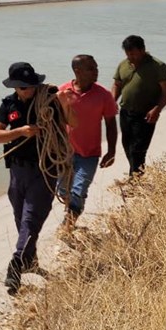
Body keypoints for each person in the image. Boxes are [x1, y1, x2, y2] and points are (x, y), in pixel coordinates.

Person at [0, 62, 77, 295]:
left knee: (31, 219)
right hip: (17, 172)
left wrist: (67, 105)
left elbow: (73, 124)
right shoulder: (8, 104)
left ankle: (15, 266)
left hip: (45, 170)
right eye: (23, 87)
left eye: (31, 86)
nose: (28, 91)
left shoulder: (51, 99)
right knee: (21, 221)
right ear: (15, 87)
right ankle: (30, 261)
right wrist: (21, 131)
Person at [58, 54, 118, 227]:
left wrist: (112, 151)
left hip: (89, 154)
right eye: (91, 68)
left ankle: (67, 227)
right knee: (62, 190)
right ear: (78, 71)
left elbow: (111, 124)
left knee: (79, 191)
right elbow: (52, 121)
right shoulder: (63, 91)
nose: (96, 72)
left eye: (96, 68)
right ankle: (71, 212)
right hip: (64, 153)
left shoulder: (104, 95)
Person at [112, 36, 166, 176]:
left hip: (146, 114)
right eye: (127, 54)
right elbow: (117, 85)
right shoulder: (123, 64)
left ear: (143, 50)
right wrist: (112, 102)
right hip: (125, 113)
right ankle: (136, 175)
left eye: (133, 54)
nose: (130, 57)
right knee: (127, 146)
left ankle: (135, 181)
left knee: (138, 149)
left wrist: (157, 109)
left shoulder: (158, 66)